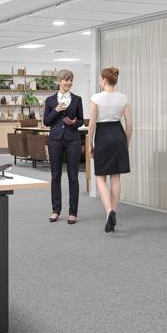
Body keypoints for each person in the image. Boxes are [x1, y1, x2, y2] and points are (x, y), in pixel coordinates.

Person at [88, 67, 131, 234]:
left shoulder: (96, 98)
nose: (100, 81)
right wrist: (126, 144)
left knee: (100, 177)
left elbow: (92, 124)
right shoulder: (123, 98)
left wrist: (90, 144)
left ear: (105, 80)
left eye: (100, 78)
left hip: (103, 136)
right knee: (116, 177)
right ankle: (113, 212)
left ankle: (109, 211)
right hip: (118, 135)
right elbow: (130, 125)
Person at [43, 69, 84, 224]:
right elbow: (46, 122)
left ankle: (73, 212)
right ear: (59, 81)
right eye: (66, 80)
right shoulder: (50, 100)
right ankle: (55, 210)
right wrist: (56, 110)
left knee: (73, 177)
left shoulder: (77, 99)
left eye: (71, 80)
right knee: (55, 176)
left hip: (73, 140)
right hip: (55, 140)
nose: (69, 83)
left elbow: (81, 120)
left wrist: (74, 122)